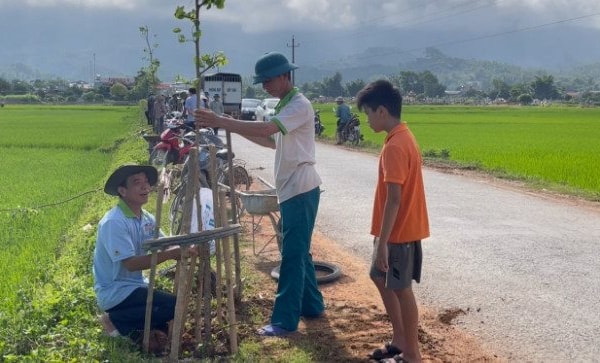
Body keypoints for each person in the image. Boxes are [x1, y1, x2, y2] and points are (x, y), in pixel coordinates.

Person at [194, 51, 324, 337]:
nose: (264, 86)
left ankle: (284, 321)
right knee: (299, 251)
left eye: (267, 80)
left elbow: (266, 128)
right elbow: (270, 140)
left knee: (292, 254)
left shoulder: (298, 105)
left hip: (301, 189)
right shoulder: (286, 105)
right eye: (261, 81)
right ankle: (312, 305)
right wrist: (234, 126)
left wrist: (224, 121)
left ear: (284, 76)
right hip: (294, 189)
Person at [356, 80, 429, 363]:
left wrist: (383, 242)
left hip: (398, 233)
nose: (367, 120)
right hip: (397, 230)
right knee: (378, 275)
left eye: (368, 114)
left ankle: (412, 354)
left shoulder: (396, 146)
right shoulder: (401, 137)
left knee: (401, 288)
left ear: (382, 111)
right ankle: (400, 339)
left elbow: (394, 199)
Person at [93, 164, 196, 353]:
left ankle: (138, 329)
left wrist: (185, 247)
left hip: (136, 286)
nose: (145, 187)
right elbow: (131, 264)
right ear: (122, 191)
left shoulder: (146, 218)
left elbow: (165, 243)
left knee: (168, 310)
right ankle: (113, 319)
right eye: (137, 183)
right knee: (174, 305)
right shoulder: (114, 222)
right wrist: (170, 255)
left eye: (146, 182)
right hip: (116, 291)